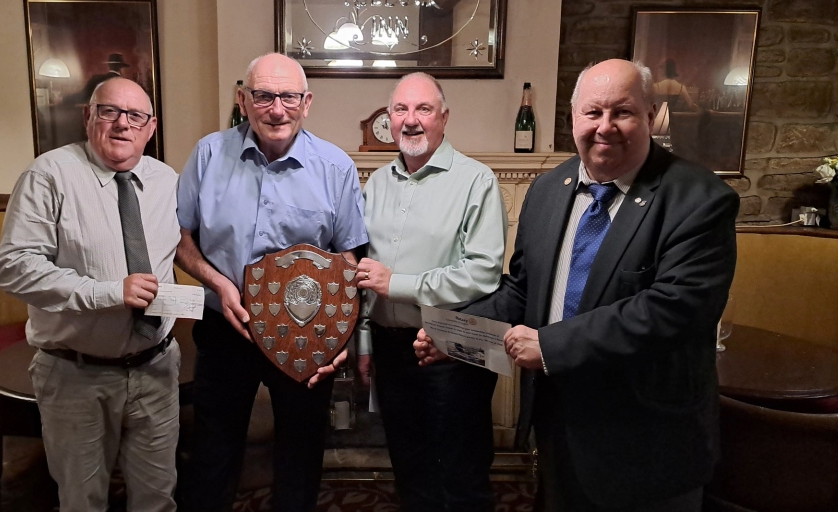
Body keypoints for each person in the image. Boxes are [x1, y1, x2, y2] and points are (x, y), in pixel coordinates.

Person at [416, 59, 739, 511]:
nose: (605, 127)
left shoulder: (700, 200)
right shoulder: (548, 190)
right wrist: (453, 329)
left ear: (650, 116)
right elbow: (523, 289)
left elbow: (674, 311)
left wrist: (550, 345)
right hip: (558, 427)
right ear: (573, 119)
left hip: (647, 443)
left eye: (622, 112)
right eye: (592, 112)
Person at [175, 52, 368, 512]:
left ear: (307, 102)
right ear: (244, 100)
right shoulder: (207, 154)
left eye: (288, 97)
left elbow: (349, 260)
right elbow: (180, 237)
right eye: (263, 96)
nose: (276, 109)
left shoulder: (336, 167)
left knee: (299, 459)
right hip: (226, 326)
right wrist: (218, 284)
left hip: (305, 332)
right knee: (212, 455)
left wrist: (338, 335)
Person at [0, 77, 180, 511]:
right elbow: (13, 268)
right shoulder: (48, 176)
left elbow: (185, 247)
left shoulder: (165, 180)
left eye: (136, 116)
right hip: (76, 375)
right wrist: (108, 292)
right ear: (88, 117)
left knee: (157, 498)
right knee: (83, 501)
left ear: (150, 128)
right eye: (109, 111)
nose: (122, 125)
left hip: (156, 369)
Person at [355, 72, 507, 512]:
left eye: (423, 109)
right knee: (410, 469)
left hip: (451, 349)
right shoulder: (377, 184)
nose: (411, 121)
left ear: (444, 117)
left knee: (461, 475)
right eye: (400, 110)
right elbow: (364, 273)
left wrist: (396, 285)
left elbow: (482, 273)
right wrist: (364, 340)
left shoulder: (476, 180)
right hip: (390, 350)